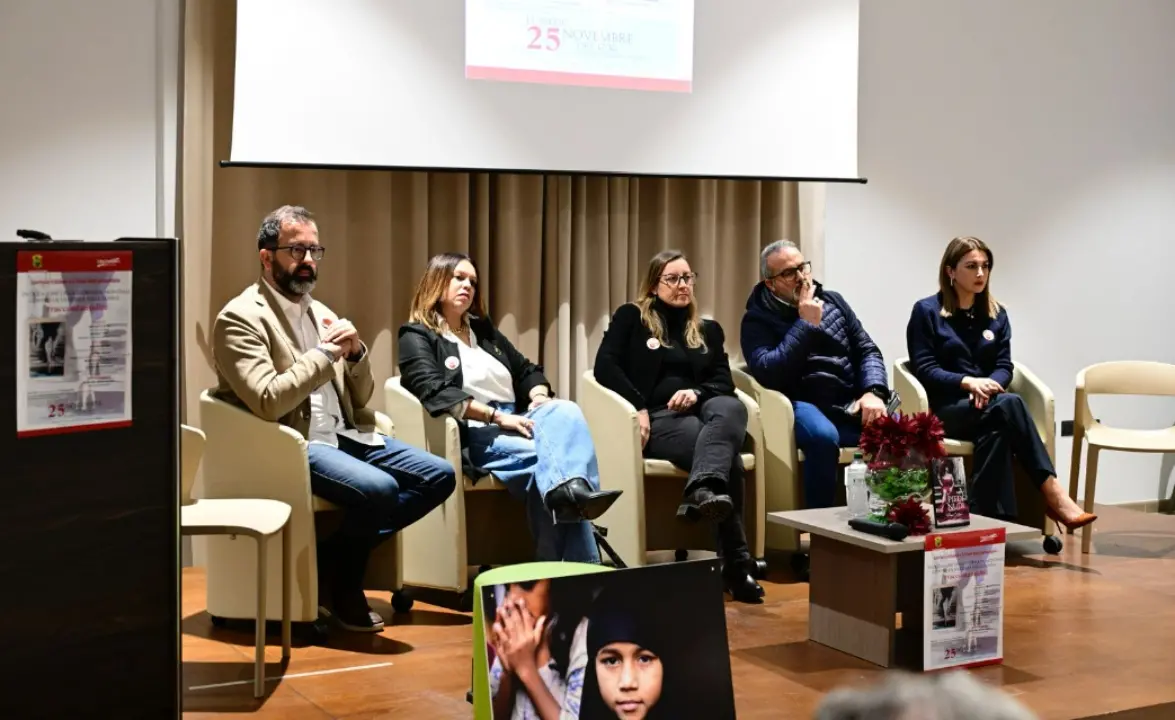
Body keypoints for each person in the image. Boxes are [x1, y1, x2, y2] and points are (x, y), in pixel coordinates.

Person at [211, 205, 456, 633]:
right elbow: (268, 400)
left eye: (314, 250)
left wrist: (357, 354)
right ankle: (343, 585)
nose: (307, 261)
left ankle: (328, 561)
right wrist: (325, 356)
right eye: (296, 251)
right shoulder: (240, 318)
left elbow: (360, 396)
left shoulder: (320, 312)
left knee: (439, 475)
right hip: (292, 442)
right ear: (267, 257)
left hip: (345, 435)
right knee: (380, 489)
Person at [398, 252, 620, 564]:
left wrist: (539, 396)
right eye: (459, 278)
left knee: (565, 410)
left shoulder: (483, 331)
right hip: (475, 429)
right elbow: (434, 391)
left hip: (518, 419)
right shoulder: (417, 335)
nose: (468, 286)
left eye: (473, 281)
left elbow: (527, 371)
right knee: (546, 465)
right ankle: (578, 568)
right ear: (437, 281)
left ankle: (570, 498)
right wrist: (496, 417)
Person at [593, 250, 764, 603]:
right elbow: (605, 367)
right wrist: (639, 407)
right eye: (673, 278)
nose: (683, 285)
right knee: (726, 460)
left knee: (731, 407)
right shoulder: (632, 318)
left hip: (707, 410)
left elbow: (722, 382)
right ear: (655, 285)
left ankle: (700, 493)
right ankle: (736, 567)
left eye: (688, 277)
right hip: (661, 418)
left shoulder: (707, 330)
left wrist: (696, 392)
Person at [906, 236, 1095, 530]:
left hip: (988, 406)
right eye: (971, 266)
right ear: (950, 271)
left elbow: (1004, 366)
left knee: (997, 429)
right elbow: (925, 369)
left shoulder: (996, 314)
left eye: (985, 266)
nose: (981, 273)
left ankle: (986, 523)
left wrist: (990, 385)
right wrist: (969, 383)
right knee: (1011, 405)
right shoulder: (927, 312)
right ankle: (1054, 495)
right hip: (946, 408)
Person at [741, 240, 893, 509]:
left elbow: (867, 350)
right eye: (789, 273)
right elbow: (769, 373)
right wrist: (805, 324)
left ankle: (888, 522)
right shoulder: (757, 319)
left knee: (903, 429)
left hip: (846, 399)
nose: (800, 277)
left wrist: (873, 391)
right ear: (771, 283)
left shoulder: (834, 301)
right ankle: (819, 532)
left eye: (803, 268)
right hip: (799, 401)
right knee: (823, 436)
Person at [487, 578, 591, 720]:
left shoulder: (582, 634)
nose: (512, 598)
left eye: (527, 584)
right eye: (507, 586)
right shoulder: (513, 629)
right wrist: (508, 674)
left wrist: (526, 670)